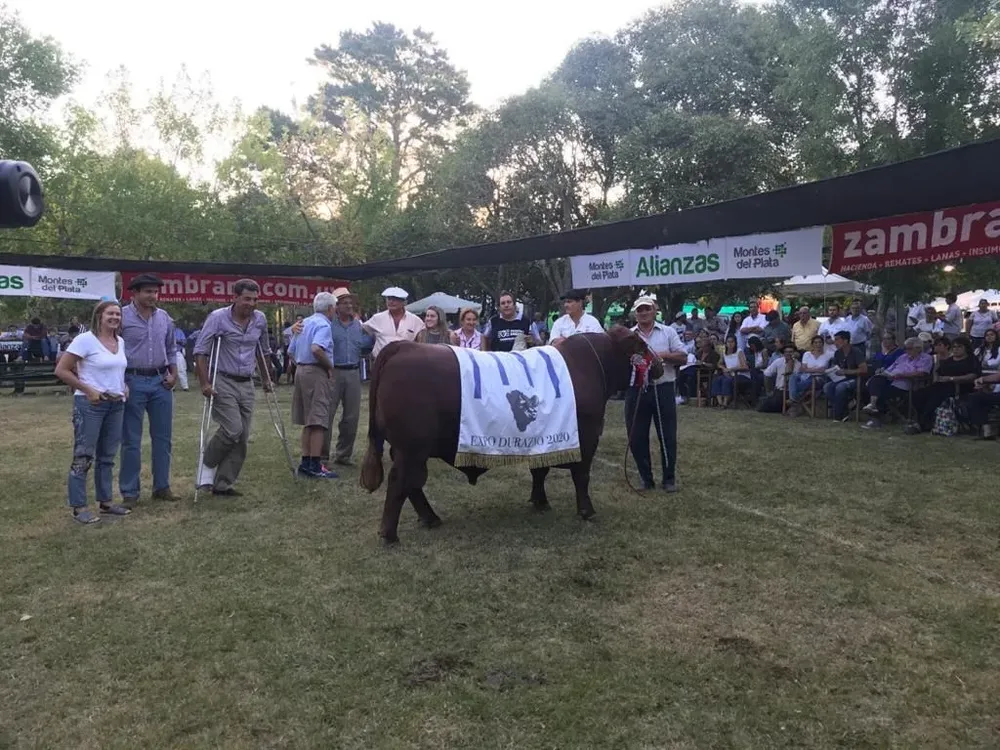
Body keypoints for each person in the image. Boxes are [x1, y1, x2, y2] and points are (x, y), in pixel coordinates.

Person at [194, 279, 273, 496]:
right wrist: (205, 383)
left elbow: (263, 350)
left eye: (255, 299)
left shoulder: (260, 320)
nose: (251, 303)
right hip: (223, 380)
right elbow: (201, 351)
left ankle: (223, 484)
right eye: (247, 299)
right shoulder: (218, 318)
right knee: (232, 429)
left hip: (247, 381)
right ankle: (207, 463)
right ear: (235, 297)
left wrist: (266, 379)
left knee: (243, 435)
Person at [54, 301, 130, 524]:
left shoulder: (120, 341)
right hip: (91, 406)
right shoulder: (85, 340)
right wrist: (87, 389)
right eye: (110, 313)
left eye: (118, 314)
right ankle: (78, 507)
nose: (115, 317)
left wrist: (123, 385)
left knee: (107, 456)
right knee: (84, 456)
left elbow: (115, 369)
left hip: (116, 404)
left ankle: (105, 502)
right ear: (99, 315)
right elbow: (61, 370)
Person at [117, 273, 178, 507]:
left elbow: (171, 348)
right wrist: (119, 382)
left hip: (160, 381)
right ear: (135, 293)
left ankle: (162, 487)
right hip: (132, 381)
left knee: (163, 438)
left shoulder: (164, 318)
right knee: (131, 439)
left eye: (155, 292)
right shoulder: (121, 317)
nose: (153, 296)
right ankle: (130, 492)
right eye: (148, 292)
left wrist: (173, 374)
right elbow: (113, 349)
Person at [624, 296, 687, 492]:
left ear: (654, 311)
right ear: (635, 313)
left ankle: (669, 479)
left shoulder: (667, 332)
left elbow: (683, 356)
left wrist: (662, 356)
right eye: (640, 310)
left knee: (667, 435)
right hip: (636, 389)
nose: (643, 313)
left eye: (647, 309)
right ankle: (646, 478)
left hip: (663, 387)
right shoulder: (628, 336)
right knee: (636, 435)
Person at [323, 289, 375, 468]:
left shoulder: (359, 326)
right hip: (332, 372)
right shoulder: (328, 324)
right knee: (327, 414)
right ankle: (322, 456)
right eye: (344, 302)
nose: (349, 305)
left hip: (353, 372)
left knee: (351, 416)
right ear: (335, 306)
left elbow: (368, 343)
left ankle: (343, 455)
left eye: (350, 302)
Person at [290, 292, 339, 479]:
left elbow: (290, 351)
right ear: (330, 309)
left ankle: (306, 462)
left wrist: (302, 364)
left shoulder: (304, 323)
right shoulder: (324, 325)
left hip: (301, 370)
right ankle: (316, 464)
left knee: (308, 420)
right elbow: (316, 348)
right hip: (316, 371)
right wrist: (329, 366)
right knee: (318, 419)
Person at [906, 335, 980, 434]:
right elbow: (939, 372)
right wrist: (938, 378)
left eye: (959, 347)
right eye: (954, 347)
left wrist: (952, 378)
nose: (956, 349)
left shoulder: (971, 360)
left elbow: (973, 376)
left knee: (936, 397)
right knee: (919, 394)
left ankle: (921, 424)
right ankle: (926, 420)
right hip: (942, 385)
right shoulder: (949, 361)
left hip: (960, 387)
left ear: (965, 348)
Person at [861, 337, 933, 428]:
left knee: (880, 393)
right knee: (875, 380)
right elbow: (890, 368)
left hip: (905, 382)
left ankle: (875, 417)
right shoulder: (903, 357)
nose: (907, 351)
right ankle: (873, 404)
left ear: (918, 348)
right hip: (890, 378)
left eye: (909, 348)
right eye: (906, 348)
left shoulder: (925, 358)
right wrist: (884, 373)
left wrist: (902, 375)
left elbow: (922, 373)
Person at [362, 287, 424, 359]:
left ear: (404, 302)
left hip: (405, 362)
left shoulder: (415, 320)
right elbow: (363, 331)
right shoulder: (377, 318)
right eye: (389, 299)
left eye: (395, 299)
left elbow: (423, 339)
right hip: (381, 362)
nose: (391, 302)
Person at [823, 331, 867, 421]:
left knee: (840, 387)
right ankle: (845, 409)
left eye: (837, 340)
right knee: (827, 387)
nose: (835, 342)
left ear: (845, 340)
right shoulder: (837, 353)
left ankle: (838, 415)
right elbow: (836, 367)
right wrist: (831, 371)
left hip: (855, 379)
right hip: (841, 378)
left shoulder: (856, 351)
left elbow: (864, 369)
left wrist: (846, 371)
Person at [787, 335, 832, 413]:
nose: (818, 344)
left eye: (820, 342)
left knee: (810, 380)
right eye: (815, 342)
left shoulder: (828, 355)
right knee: (793, 376)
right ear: (812, 344)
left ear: (823, 344)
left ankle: (793, 400)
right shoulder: (807, 354)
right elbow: (803, 368)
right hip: (805, 376)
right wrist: (816, 369)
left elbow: (825, 370)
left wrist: (810, 370)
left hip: (819, 379)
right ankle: (794, 398)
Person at [758, 343, 801, 413]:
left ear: (794, 353)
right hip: (779, 390)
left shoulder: (798, 364)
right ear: (783, 353)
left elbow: (789, 376)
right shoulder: (778, 361)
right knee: (763, 408)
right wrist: (769, 391)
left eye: (790, 352)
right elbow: (767, 374)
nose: (788, 354)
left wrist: (791, 361)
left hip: (791, 392)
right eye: (786, 352)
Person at [711, 335, 748, 408]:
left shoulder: (739, 351)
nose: (730, 344)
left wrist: (731, 369)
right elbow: (719, 363)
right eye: (728, 342)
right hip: (729, 374)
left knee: (726, 381)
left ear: (735, 343)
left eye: (732, 342)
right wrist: (723, 368)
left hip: (740, 374)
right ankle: (720, 403)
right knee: (717, 379)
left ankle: (725, 403)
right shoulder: (724, 352)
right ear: (726, 343)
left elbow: (744, 366)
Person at [174, 325, 189, 391]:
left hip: (177, 352)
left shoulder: (179, 331)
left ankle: (185, 386)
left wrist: (177, 341)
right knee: (168, 371)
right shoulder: (164, 330)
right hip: (167, 353)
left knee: (181, 369)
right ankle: (172, 387)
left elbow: (184, 342)